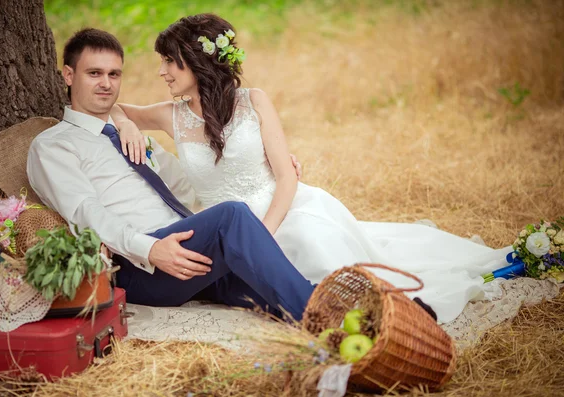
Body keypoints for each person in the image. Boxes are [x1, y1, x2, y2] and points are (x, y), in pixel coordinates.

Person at [112, 13, 514, 324]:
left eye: (169, 61)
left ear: (198, 62)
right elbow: (105, 103)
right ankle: (334, 316)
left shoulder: (254, 102)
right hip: (224, 224)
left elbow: (287, 176)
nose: (161, 71)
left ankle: (376, 310)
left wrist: (264, 231)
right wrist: (128, 122)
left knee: (312, 245)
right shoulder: (170, 115)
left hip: (280, 209)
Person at [26, 28, 316, 321]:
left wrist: (259, 162)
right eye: (94, 73)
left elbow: (190, 186)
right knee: (232, 216)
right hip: (139, 265)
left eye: (114, 74)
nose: (106, 83)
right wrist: (151, 249)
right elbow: (86, 215)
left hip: (187, 249)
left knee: (276, 290)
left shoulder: (134, 139)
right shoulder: (53, 146)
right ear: (68, 75)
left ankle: (339, 319)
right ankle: (318, 316)